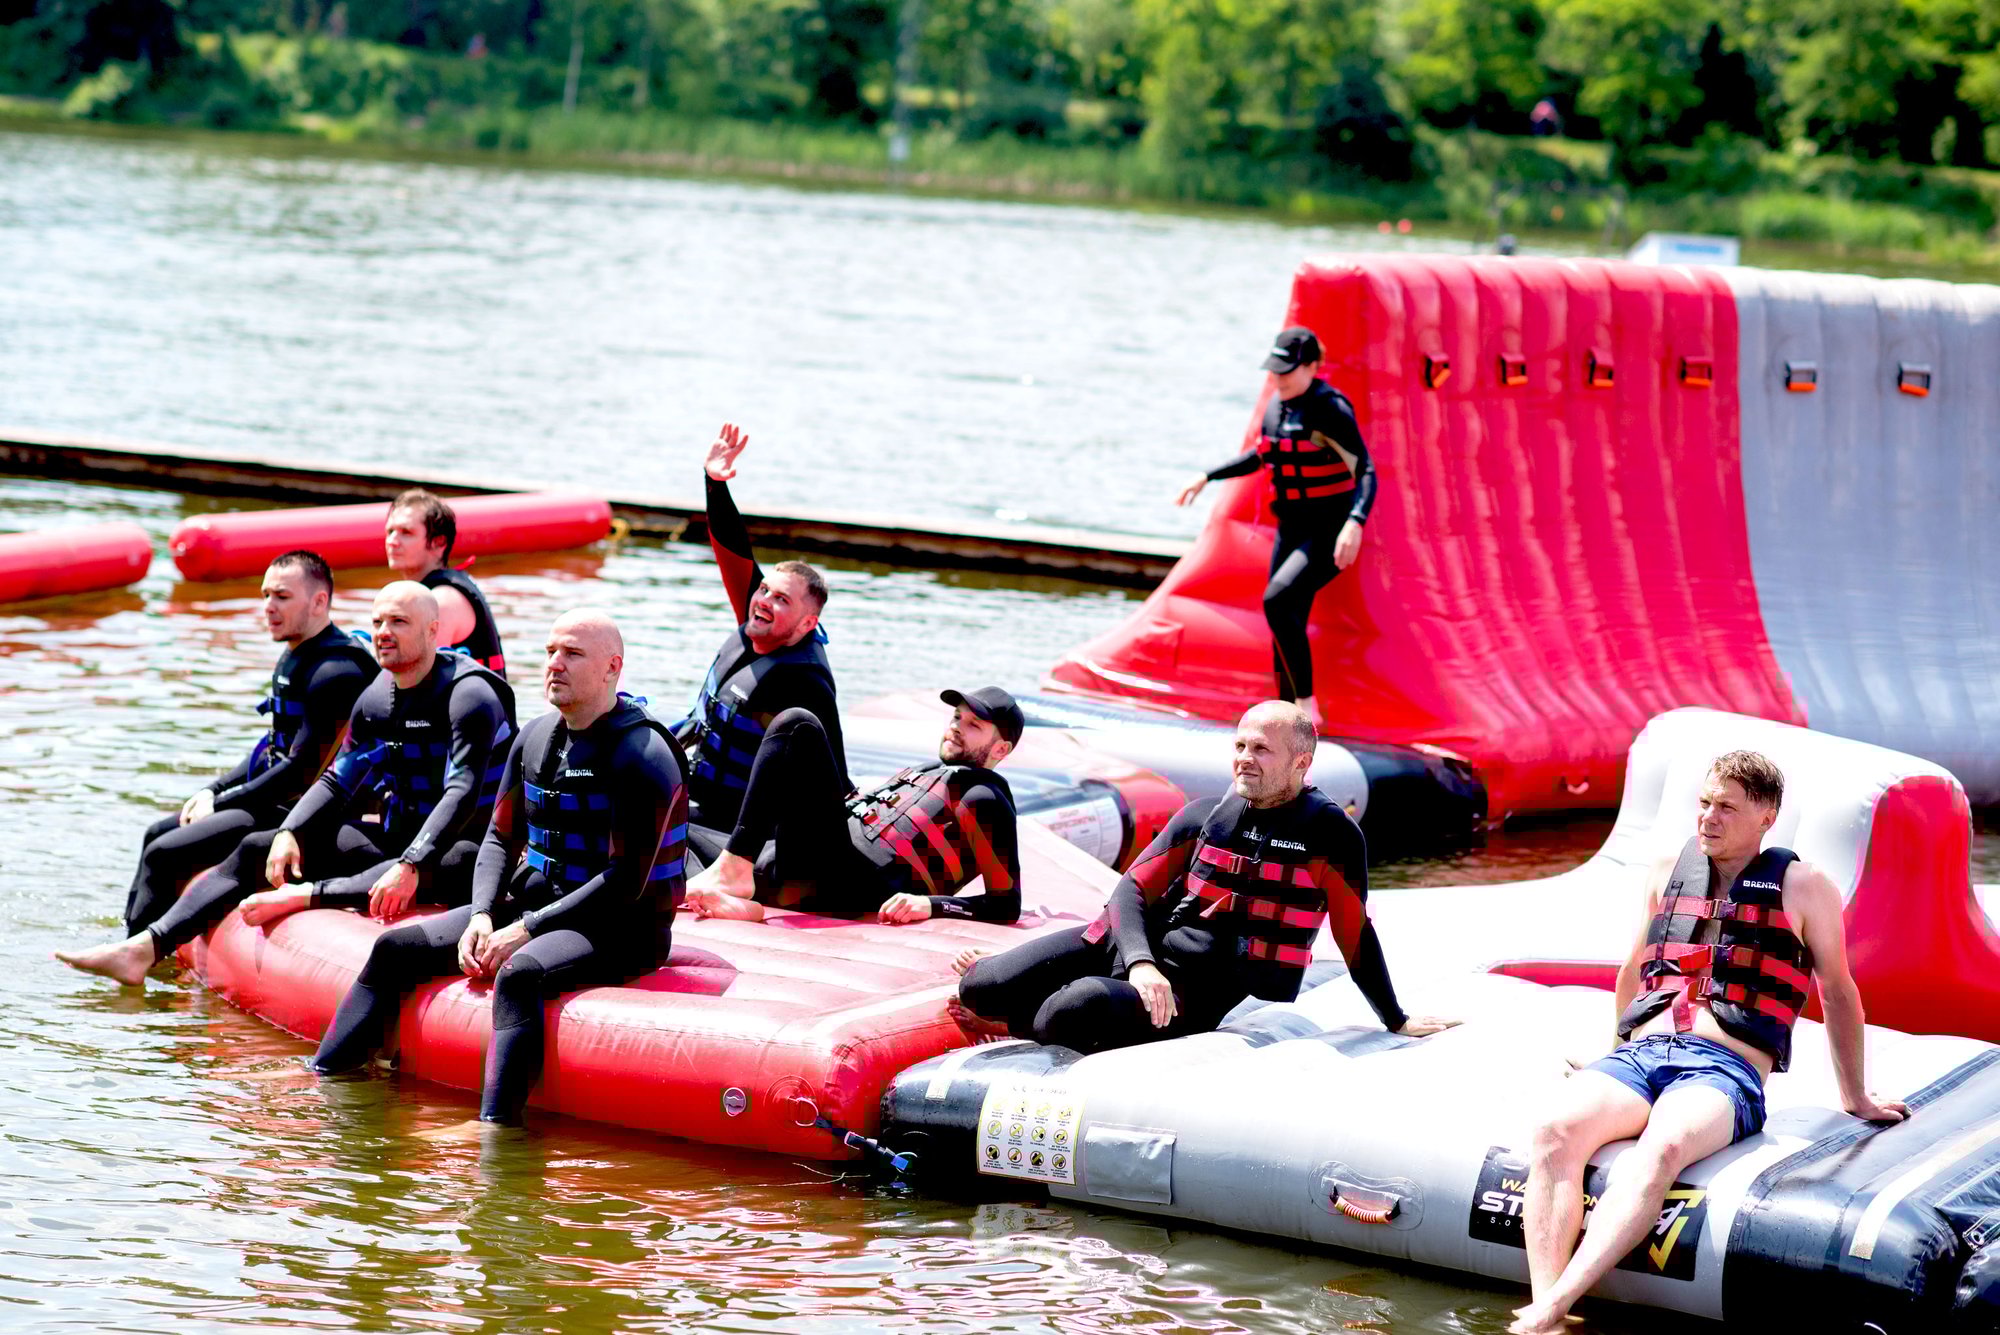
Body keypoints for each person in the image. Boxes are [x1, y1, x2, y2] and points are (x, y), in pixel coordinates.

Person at [1507, 751, 1909, 1335]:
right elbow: (1636, 967)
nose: (1707, 818)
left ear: (1767, 815)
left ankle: (1551, 1306)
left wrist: (1857, 1098)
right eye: (1703, 803)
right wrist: (1612, 1047)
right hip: (1642, 1054)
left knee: (1664, 1148)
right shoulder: (1669, 867)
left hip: (1723, 1070)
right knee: (1552, 1132)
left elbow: (1839, 992)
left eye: (1726, 806)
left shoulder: (1804, 886)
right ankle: (1551, 1306)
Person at [304, 610, 687, 1133]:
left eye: (572, 654)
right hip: (540, 903)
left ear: (611, 668)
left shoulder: (643, 754)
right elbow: (499, 838)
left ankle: (496, 1127)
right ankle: (324, 1079)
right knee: (395, 948)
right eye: (550, 651)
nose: (555, 663)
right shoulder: (535, 738)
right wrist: (483, 915)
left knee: (521, 974)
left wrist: (527, 930)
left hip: (625, 925)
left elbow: (626, 881)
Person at [56, 583, 515, 986]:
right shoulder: (378, 697)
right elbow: (338, 781)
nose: (384, 632)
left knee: (454, 856)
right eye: (377, 621)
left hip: (461, 856)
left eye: (399, 621)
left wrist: (413, 861)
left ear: (434, 631)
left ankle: (304, 896)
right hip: (399, 841)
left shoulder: (469, 696)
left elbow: (464, 788)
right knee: (257, 848)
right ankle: (142, 950)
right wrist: (290, 832)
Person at [955, 700, 1454, 1052]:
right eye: (1240, 745)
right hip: (1137, 951)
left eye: (1261, 749)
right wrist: (1140, 962)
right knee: (981, 985)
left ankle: (1022, 1021)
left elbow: (1355, 934)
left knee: (1069, 1011)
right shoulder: (1204, 816)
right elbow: (1130, 889)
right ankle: (1013, 998)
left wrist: (1396, 1018)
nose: (1244, 758)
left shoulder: (1332, 837)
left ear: (1300, 762)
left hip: (1191, 992)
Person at [122, 550, 374, 936]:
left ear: (319, 601)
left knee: (163, 854)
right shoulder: (297, 653)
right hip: (275, 799)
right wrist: (214, 789)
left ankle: (138, 959)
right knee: (155, 833)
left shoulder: (337, 671)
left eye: (282, 597)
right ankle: (127, 939)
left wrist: (222, 803)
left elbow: (300, 772)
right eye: (265, 595)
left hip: (305, 815)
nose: (269, 608)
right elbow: (271, 744)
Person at [684, 687, 1022, 924]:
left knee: (797, 724)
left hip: (843, 880)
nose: (955, 728)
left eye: (973, 725)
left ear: (1001, 750)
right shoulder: (929, 771)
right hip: (796, 859)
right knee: (678, 829)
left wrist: (931, 905)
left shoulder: (984, 799)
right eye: (957, 717)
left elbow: (1005, 905)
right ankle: (747, 900)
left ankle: (735, 879)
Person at [1175, 327, 1377, 710]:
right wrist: (1207, 476)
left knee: (1278, 602)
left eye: (1287, 370)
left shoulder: (1329, 408)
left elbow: (1365, 469)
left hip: (1328, 529)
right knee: (1285, 619)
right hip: (1292, 528)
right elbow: (1262, 455)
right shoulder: (1276, 406)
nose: (1278, 378)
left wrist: (1355, 521)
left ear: (1312, 367)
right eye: (1275, 370)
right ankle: (1286, 713)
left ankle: (1305, 706)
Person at [673, 423, 845, 855]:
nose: (763, 600)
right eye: (764, 589)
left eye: (781, 599)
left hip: (743, 835)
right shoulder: (758, 619)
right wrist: (714, 481)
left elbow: (832, 776)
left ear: (808, 625)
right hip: (698, 801)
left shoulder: (804, 682)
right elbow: (731, 547)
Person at [384, 487, 507, 676]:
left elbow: (425, 679)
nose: (392, 541)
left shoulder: (442, 600)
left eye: (406, 532)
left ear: (439, 542)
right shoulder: (441, 587)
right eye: (390, 531)